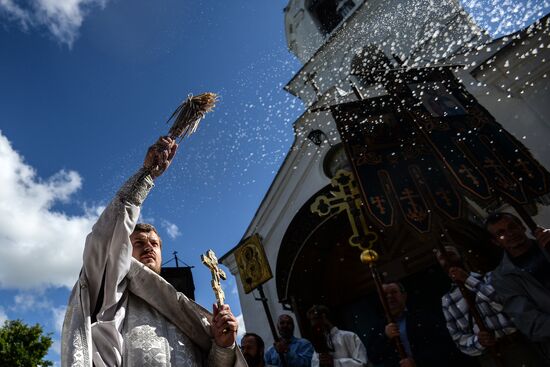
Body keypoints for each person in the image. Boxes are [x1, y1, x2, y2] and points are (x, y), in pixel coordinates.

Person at [61, 136, 245, 367]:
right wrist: (146, 175)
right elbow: (105, 237)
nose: (148, 247)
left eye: (154, 243)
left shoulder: (185, 312)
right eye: (138, 243)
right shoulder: (110, 292)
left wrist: (224, 346)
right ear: (124, 248)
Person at [437, 245, 544, 366]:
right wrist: (478, 342)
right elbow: (458, 338)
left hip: (518, 345)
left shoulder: (491, 278)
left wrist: (468, 280)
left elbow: (506, 303)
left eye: (451, 254)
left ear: (460, 256)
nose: (447, 260)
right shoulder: (448, 300)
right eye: (442, 258)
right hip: (489, 357)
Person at [485, 211, 550, 362]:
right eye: (501, 233)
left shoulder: (547, 244)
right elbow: (529, 322)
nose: (510, 234)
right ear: (495, 242)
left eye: (512, 227)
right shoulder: (502, 277)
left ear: (521, 226)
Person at [366, 282, 478, 367]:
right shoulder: (379, 328)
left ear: (404, 295)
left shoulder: (424, 317)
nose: (389, 296)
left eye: (394, 292)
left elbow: (444, 345)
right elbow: (373, 357)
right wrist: (385, 337)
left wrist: (417, 361)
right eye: (385, 295)